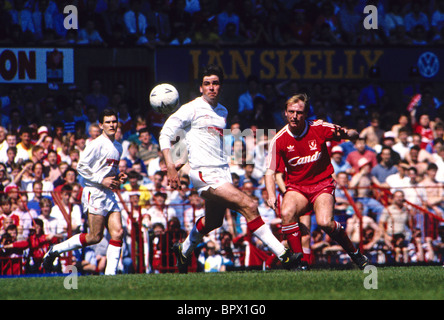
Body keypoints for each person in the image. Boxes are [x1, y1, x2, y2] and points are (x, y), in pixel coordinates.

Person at [159, 64, 301, 273]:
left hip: (222, 171)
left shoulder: (222, 111)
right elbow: (165, 134)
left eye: (215, 83)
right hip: (204, 174)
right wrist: (171, 166)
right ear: (201, 88)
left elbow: (197, 140)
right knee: (250, 206)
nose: (211, 88)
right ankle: (284, 256)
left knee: (213, 222)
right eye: (207, 84)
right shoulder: (191, 108)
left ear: (221, 87)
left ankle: (183, 249)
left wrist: (183, 158)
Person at [264, 93, 369, 269]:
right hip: (297, 188)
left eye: (299, 112)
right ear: (285, 113)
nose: (295, 116)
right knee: (287, 212)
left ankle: (355, 254)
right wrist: (271, 195)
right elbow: (270, 172)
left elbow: (344, 132)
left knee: (324, 222)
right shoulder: (279, 139)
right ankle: (298, 262)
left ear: (306, 114)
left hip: (322, 185)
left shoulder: (319, 127)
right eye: (291, 112)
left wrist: (352, 134)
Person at [42, 109, 128, 275]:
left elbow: (107, 172)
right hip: (94, 191)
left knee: (118, 232)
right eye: (108, 122)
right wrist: (102, 180)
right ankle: (56, 249)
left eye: (114, 121)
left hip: (108, 193)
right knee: (95, 237)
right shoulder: (96, 144)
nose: (111, 124)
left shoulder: (118, 146)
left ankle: (111, 277)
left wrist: (117, 178)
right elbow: (81, 166)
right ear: (101, 125)